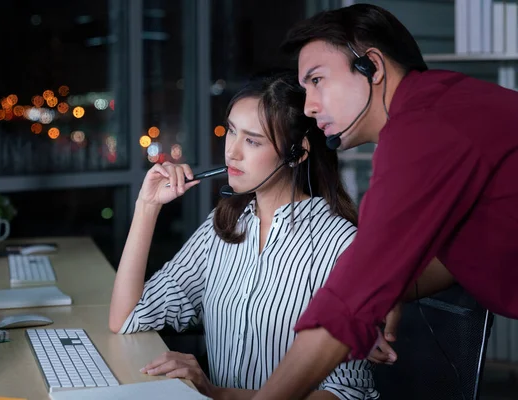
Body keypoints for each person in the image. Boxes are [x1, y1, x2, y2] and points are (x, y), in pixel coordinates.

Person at [252, 4, 518, 399]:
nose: (308, 106)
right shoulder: (441, 104)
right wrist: (389, 287)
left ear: (371, 67)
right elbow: (466, 248)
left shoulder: (424, 131)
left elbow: (348, 303)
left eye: (318, 80)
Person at [109, 70, 382, 399]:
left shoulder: (339, 244)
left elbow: (346, 393)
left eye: (252, 141)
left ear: (297, 153)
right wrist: (147, 206)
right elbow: (127, 318)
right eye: (231, 132)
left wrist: (218, 394)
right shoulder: (225, 225)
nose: (232, 153)